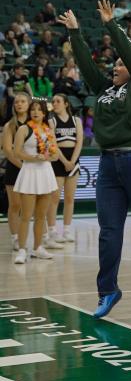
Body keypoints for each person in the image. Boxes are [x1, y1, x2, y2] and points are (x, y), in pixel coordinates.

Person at [58, 0, 131, 319]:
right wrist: (75, 33)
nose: (115, 68)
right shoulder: (103, 90)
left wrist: (112, 24)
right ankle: (108, 291)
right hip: (109, 165)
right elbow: (85, 65)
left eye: (121, 65)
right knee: (109, 232)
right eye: (114, 66)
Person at [13, 99, 59, 264]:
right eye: (33, 109)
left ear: (44, 113)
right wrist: (33, 157)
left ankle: (38, 248)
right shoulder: (24, 129)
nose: (36, 112)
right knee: (25, 216)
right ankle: (22, 250)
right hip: (29, 173)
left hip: (45, 173)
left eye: (39, 110)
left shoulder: (49, 131)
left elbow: (54, 155)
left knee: (41, 216)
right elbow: (17, 152)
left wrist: (46, 156)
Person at [47, 94, 83, 243]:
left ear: (66, 104)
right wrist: (65, 161)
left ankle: (67, 230)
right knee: (54, 198)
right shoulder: (52, 121)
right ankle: (52, 230)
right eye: (53, 101)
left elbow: (79, 142)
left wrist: (72, 162)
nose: (55, 104)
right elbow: (53, 144)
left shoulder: (77, 121)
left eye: (58, 101)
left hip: (73, 160)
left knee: (69, 198)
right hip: (57, 160)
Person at [1, 92, 31, 251]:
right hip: (15, 168)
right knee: (15, 205)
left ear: (29, 104)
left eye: (23, 101)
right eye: (17, 102)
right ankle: (14, 237)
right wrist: (22, 165)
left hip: (33, 169)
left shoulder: (35, 124)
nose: (19, 104)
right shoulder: (10, 125)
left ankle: (34, 237)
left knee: (29, 206)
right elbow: (7, 150)